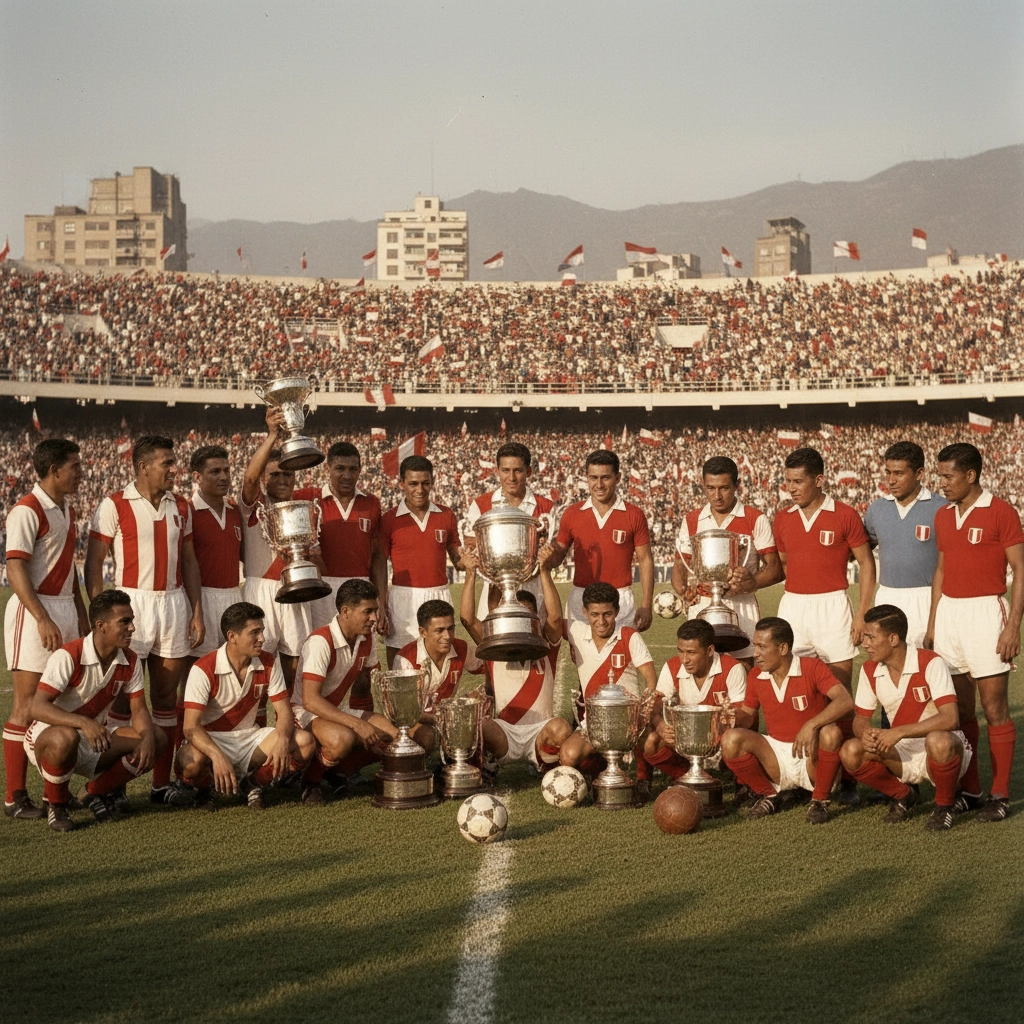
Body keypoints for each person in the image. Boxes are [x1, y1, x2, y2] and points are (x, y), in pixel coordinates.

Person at [85, 435, 204, 807]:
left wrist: (196, 609)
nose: (174, 469)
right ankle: (113, 785)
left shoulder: (181, 506)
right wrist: (100, 612)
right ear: (143, 467)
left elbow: (189, 560)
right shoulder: (114, 504)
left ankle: (159, 784)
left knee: (166, 697)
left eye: (174, 462)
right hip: (130, 605)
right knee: (121, 699)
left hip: (172, 604)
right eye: (167, 463)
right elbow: (93, 563)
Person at [925, 442, 1024, 822]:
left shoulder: (1001, 511)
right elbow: (941, 571)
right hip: (950, 614)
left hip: (986, 612)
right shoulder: (943, 516)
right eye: (941, 476)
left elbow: (1020, 570)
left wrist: (1013, 625)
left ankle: (1000, 795)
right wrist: (935, 622)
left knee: (995, 707)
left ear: (971, 475)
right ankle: (972, 790)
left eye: (949, 476)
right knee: (959, 709)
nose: (943, 483)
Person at [773, 446, 875, 804]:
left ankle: (847, 780)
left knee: (840, 694)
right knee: (796, 690)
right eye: (787, 481)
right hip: (794, 607)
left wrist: (862, 612)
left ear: (819, 480)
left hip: (834, 605)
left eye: (798, 481)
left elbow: (866, 563)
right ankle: (805, 776)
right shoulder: (783, 518)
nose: (792, 488)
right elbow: (784, 564)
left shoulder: (844, 514)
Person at [24, 590, 162, 833]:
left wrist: (148, 738)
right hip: (48, 736)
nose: (132, 628)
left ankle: (92, 792)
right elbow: (37, 707)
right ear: (101, 626)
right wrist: (82, 723)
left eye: (131, 621)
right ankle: (56, 804)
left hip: (94, 735)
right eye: (124, 622)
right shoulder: (69, 655)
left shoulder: (129, 659)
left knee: (157, 737)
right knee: (66, 736)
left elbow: (139, 709)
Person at [4, 438, 89, 822]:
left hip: (66, 609)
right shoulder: (27, 508)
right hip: (34, 611)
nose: (80, 471)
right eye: (74, 465)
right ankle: (15, 797)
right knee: (27, 705)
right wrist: (41, 617)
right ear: (54, 470)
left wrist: (83, 615)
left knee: (61, 704)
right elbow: (15, 568)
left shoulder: (65, 509)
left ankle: (57, 790)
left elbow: (68, 569)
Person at [841, 605, 970, 831]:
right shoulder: (869, 670)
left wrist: (898, 732)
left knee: (938, 740)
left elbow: (950, 718)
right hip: (901, 751)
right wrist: (866, 733)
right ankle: (904, 795)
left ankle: (944, 805)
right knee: (850, 751)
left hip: (945, 747)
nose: (865, 644)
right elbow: (859, 719)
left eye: (871, 637)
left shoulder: (930, 662)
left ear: (893, 639)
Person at [176, 601, 315, 811]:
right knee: (190, 761)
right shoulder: (203, 668)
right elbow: (191, 727)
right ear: (232, 636)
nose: (262, 639)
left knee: (304, 742)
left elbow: (284, 711)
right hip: (213, 739)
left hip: (250, 737)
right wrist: (216, 755)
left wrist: (283, 739)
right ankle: (205, 790)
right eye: (254, 632)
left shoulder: (268, 661)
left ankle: (253, 784)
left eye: (262, 631)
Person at [721, 617, 853, 824]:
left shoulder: (812, 667)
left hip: (812, 754)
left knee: (831, 732)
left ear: (783, 648)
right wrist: (730, 717)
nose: (755, 653)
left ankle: (820, 800)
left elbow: (844, 701)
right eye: (755, 646)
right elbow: (747, 715)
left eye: (762, 647)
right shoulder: (756, 674)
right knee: (731, 739)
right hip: (777, 755)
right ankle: (769, 795)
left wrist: (811, 724)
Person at [459, 542, 570, 775]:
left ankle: (545, 763)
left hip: (540, 731)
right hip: (506, 732)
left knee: (561, 727)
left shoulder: (546, 645)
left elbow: (556, 617)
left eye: (528, 614)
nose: (522, 621)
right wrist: (470, 574)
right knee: (478, 723)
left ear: (535, 618)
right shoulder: (495, 646)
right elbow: (468, 619)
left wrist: (544, 571)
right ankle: (488, 763)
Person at [671, 456, 782, 666]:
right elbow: (680, 566)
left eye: (724, 488)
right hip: (702, 604)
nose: (717, 495)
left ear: (736, 485)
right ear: (703, 485)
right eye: (711, 488)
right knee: (702, 669)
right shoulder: (692, 519)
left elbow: (775, 569)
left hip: (742, 607)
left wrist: (752, 582)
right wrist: (683, 590)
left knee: (744, 668)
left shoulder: (755, 518)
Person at [291, 579, 394, 804]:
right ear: (345, 611)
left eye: (375, 611)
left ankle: (338, 770)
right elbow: (309, 700)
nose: (374, 618)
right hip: (303, 712)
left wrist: (373, 719)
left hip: (336, 708)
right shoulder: (321, 641)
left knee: (393, 737)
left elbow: (371, 681)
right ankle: (310, 781)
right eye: (368, 611)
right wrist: (358, 724)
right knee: (342, 738)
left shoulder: (366, 637)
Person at [238, 408, 319, 691]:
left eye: (287, 475)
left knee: (295, 660)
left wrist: (307, 556)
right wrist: (273, 435)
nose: (283, 479)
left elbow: (317, 555)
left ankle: (292, 722)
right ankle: (259, 726)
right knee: (258, 664)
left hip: (295, 589)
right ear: (264, 478)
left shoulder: (301, 510)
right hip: (261, 589)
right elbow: (248, 479)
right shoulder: (253, 506)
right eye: (274, 475)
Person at [558, 582, 657, 786]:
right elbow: (552, 617)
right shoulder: (576, 631)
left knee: (648, 740)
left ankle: (644, 779)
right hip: (595, 722)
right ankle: (597, 768)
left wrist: (643, 714)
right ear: (585, 611)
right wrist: (544, 570)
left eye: (607, 614)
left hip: (628, 721)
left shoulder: (630, 636)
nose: (601, 621)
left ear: (617, 611)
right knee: (568, 755)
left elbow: (651, 680)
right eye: (594, 614)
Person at [546, 450, 654, 632]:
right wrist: (548, 554)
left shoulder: (634, 514)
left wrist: (646, 604)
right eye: (593, 478)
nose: (599, 484)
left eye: (605, 477)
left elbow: (645, 560)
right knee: (583, 660)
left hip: (620, 599)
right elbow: (557, 559)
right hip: (582, 597)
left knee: (620, 659)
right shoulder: (572, 513)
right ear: (586, 478)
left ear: (617, 478)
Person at [379, 456, 464, 667]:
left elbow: (458, 558)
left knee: (440, 667)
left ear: (432, 482)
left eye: (425, 483)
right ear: (401, 484)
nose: (420, 489)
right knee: (399, 666)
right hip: (402, 597)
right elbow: (379, 564)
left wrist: (471, 559)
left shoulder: (446, 515)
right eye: (413, 483)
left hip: (439, 594)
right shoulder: (389, 519)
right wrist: (381, 604)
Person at [293, 441, 385, 632]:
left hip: (361, 587)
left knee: (361, 652)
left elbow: (378, 557)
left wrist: (382, 602)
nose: (347, 475)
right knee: (323, 648)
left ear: (360, 470)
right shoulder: (309, 497)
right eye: (340, 468)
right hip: (321, 589)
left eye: (353, 469)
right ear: (328, 468)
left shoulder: (371, 503)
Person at [462, 441, 554, 624]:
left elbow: (550, 556)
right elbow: (473, 550)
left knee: (534, 645)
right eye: (505, 470)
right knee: (495, 648)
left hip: (534, 591)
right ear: (497, 471)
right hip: (495, 592)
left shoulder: (545, 507)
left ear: (528, 472)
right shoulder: (481, 505)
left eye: (518, 470)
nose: (511, 477)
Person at [644, 618, 747, 781]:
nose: (684, 659)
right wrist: (660, 725)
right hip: (687, 734)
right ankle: (688, 777)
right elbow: (656, 706)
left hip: (721, 733)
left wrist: (729, 717)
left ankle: (743, 783)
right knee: (652, 742)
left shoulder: (732, 668)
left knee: (741, 733)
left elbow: (744, 717)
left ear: (710, 650)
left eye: (691, 652)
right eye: (681, 651)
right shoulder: (672, 666)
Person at [863, 441, 942, 647]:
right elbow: (860, 552)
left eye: (899, 473)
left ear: (919, 473)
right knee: (888, 667)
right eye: (888, 472)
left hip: (927, 597)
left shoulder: (942, 508)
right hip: (888, 596)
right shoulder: (877, 509)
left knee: (931, 665)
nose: (891, 480)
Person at [188, 445, 243, 660]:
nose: (224, 477)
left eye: (226, 471)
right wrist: (196, 612)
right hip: (202, 599)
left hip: (233, 595)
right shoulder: (188, 512)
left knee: (231, 672)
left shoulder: (234, 510)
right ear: (197, 477)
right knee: (196, 672)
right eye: (215, 472)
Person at [393, 599, 477, 714]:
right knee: (427, 733)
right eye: (439, 630)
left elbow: (491, 665)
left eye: (451, 629)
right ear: (423, 632)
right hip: (418, 723)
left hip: (448, 718)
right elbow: (403, 711)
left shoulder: (461, 647)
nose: (447, 636)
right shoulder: (405, 659)